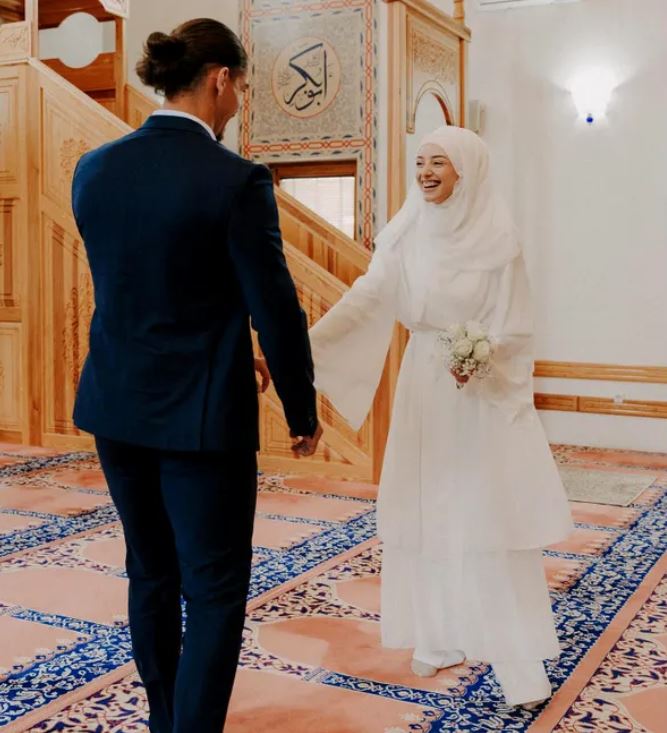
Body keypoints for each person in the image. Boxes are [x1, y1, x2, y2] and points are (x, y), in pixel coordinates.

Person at [71, 19, 322, 733]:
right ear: (219, 79)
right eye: (240, 87)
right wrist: (302, 411)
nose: (238, 102)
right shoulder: (236, 180)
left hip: (117, 408)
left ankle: (164, 719)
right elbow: (275, 308)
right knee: (213, 588)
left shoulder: (94, 168)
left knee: (150, 571)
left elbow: (142, 287)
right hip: (202, 422)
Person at [309, 125, 573, 707]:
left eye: (439, 163)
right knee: (426, 508)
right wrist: (306, 348)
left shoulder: (500, 240)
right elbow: (365, 299)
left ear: (466, 170)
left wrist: (482, 357)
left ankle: (518, 662)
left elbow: (515, 324)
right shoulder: (405, 234)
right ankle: (437, 636)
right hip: (423, 387)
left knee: (488, 514)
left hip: (480, 395)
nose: (426, 173)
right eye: (421, 162)